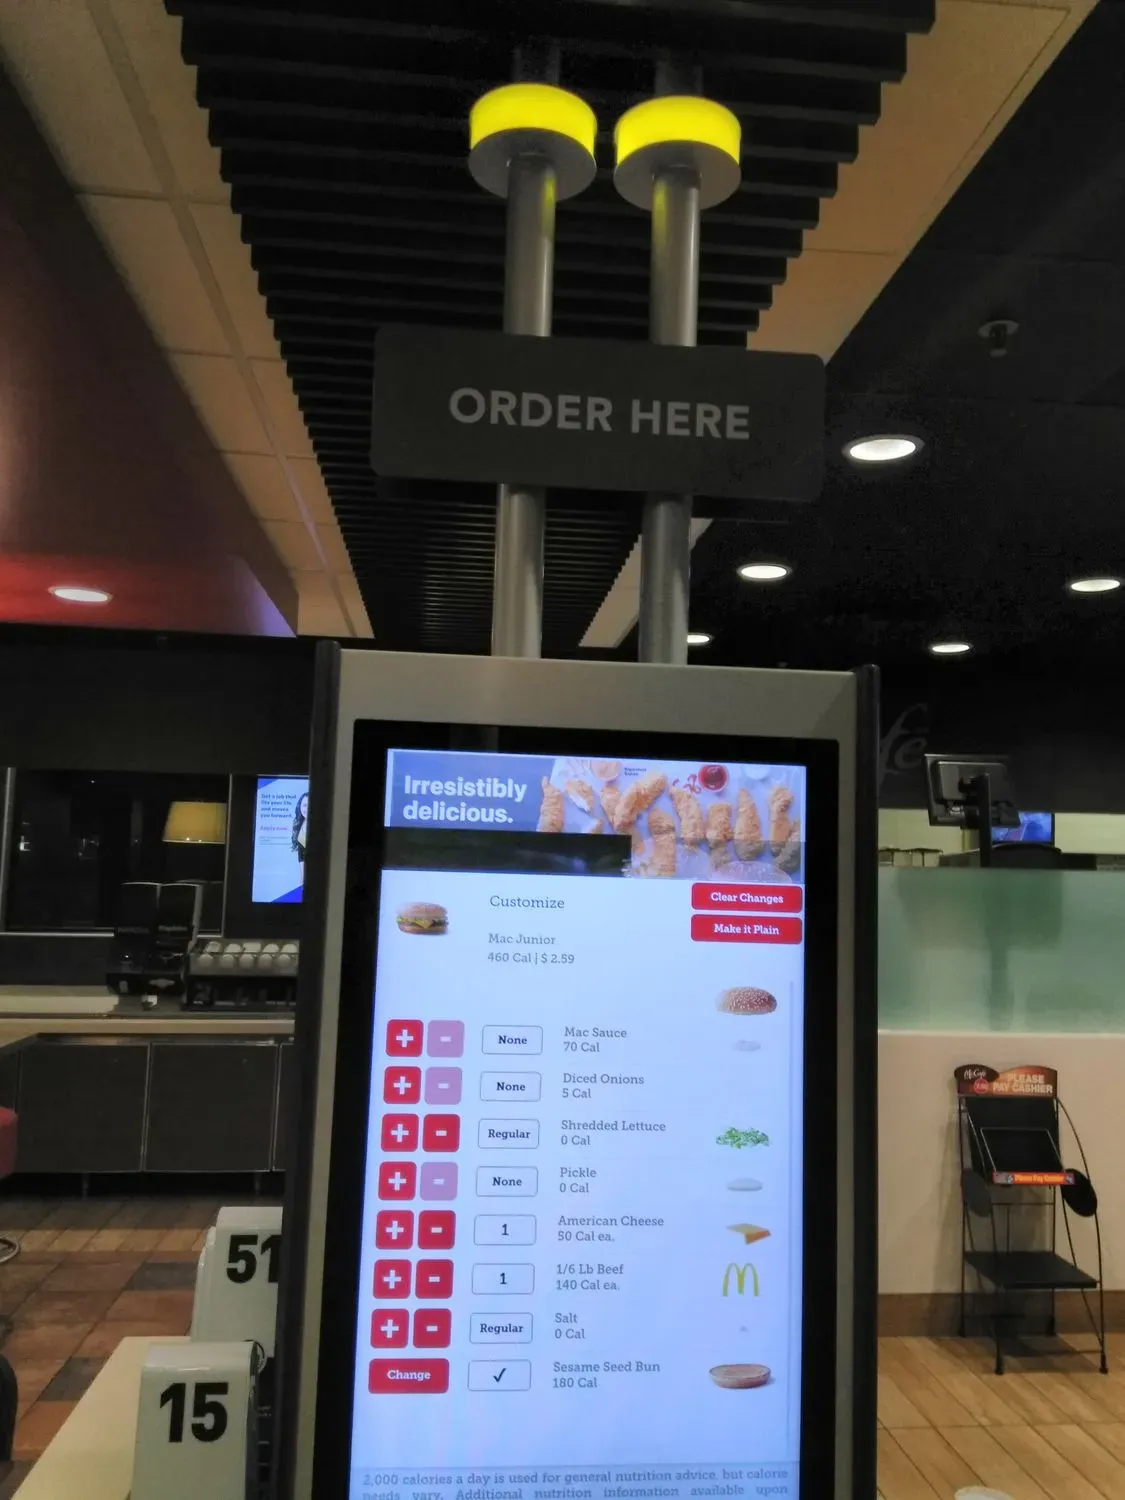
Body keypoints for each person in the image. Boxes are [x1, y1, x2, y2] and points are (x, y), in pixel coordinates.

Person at [291, 792, 309, 865]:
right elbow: (301, 858)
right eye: (304, 805)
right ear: (300, 807)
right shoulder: (299, 824)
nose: (307, 809)